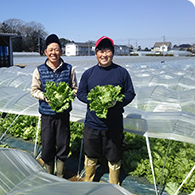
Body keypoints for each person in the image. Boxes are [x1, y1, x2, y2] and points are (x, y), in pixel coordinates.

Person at [77, 36, 135, 184]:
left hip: (113, 125)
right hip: (92, 124)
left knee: (114, 157)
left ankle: (114, 185)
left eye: (108, 51)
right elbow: (81, 93)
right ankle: (88, 181)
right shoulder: (89, 74)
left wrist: (117, 102)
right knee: (90, 155)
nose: (104, 54)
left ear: (113, 53)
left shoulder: (121, 73)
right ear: (96, 53)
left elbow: (130, 93)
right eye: (101, 51)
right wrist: (93, 101)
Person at [31, 34, 78, 178]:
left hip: (63, 115)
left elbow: (75, 89)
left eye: (56, 49)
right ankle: (49, 175)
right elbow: (34, 90)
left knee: (63, 145)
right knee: (47, 146)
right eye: (50, 50)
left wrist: (66, 98)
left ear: (61, 52)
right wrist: (44, 96)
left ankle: (60, 175)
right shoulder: (39, 70)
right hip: (47, 115)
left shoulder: (69, 69)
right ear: (45, 52)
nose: (53, 53)